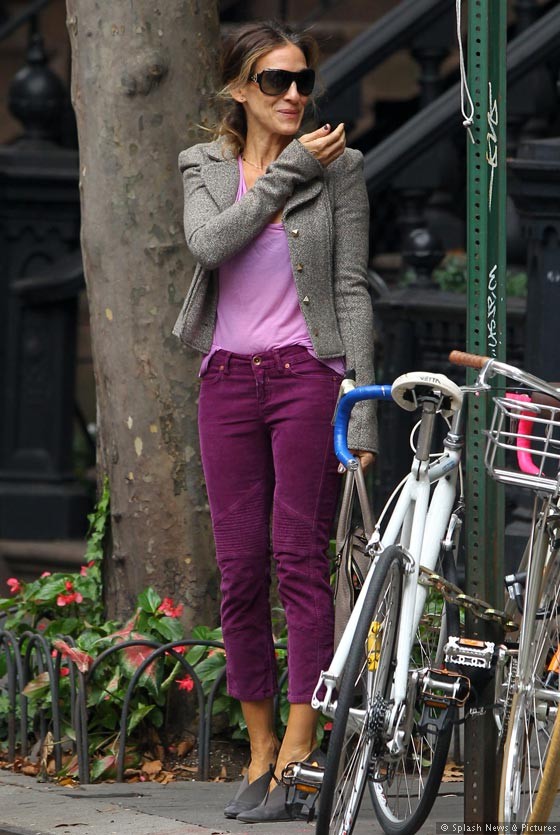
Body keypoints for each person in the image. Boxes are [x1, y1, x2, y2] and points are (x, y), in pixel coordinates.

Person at [173, 20, 378, 823]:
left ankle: (299, 750)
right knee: (239, 568)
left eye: (303, 81)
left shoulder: (344, 169)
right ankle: (259, 749)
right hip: (226, 382)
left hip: (307, 378)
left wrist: (362, 413)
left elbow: (352, 288)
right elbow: (209, 242)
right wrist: (290, 172)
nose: (294, 95)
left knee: (299, 559)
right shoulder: (204, 165)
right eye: (275, 81)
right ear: (239, 89)